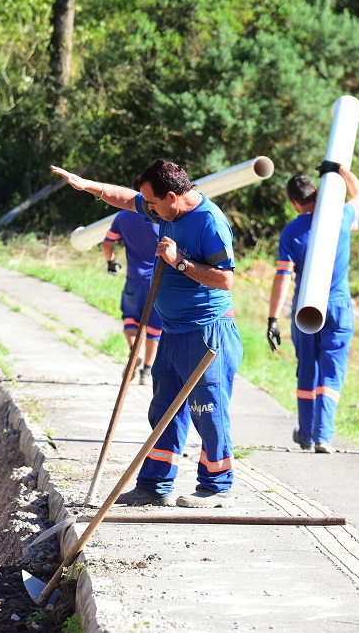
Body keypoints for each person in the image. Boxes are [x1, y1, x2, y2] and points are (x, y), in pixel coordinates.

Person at [52, 159, 243, 508]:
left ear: (172, 196)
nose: (149, 210)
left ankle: (217, 486)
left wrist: (180, 263)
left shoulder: (209, 222)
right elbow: (125, 199)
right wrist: (86, 185)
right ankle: (155, 484)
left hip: (206, 334)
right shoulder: (165, 212)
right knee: (164, 410)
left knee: (207, 410)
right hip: (172, 331)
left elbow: (225, 279)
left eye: (153, 204)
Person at [266, 162, 359, 454]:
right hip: (338, 305)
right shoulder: (342, 216)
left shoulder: (291, 232)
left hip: (304, 308)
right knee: (331, 371)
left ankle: (307, 435)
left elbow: (282, 278)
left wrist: (273, 318)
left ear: (294, 203)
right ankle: (323, 436)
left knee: (307, 369)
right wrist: (340, 171)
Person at [102, 210, 162, 385]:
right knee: (154, 330)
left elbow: (107, 244)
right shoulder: (162, 215)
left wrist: (111, 261)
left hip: (133, 280)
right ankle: (146, 372)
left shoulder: (123, 217)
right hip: (158, 282)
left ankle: (133, 351)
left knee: (130, 319)